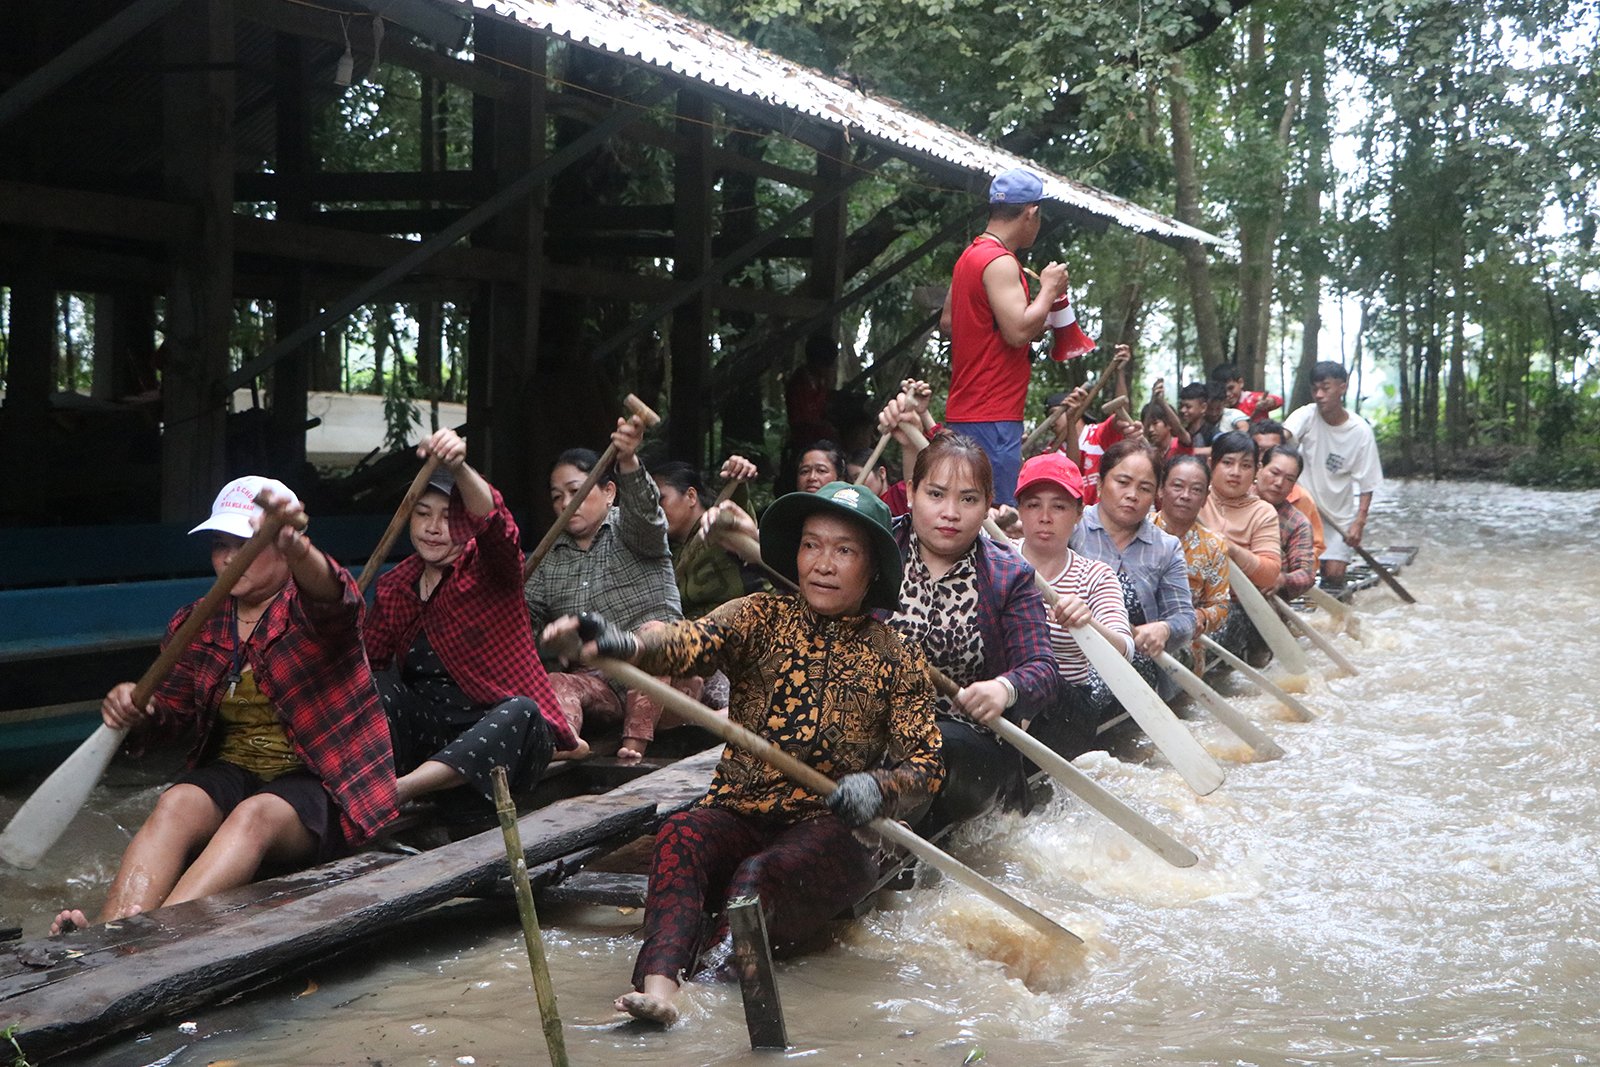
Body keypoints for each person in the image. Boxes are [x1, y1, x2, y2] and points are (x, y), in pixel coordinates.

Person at [541, 481, 943, 1028]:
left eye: (844, 550)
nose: (822, 564)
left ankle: (705, 994)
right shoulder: (758, 616)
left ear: (871, 568)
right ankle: (658, 988)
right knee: (680, 833)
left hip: (830, 831)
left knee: (757, 876)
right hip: (740, 810)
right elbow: (685, 642)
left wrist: (879, 787)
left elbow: (927, 767)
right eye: (811, 545)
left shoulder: (898, 657)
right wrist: (616, 642)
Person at [52, 478, 396, 934]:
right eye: (220, 545)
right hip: (237, 769)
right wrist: (141, 709)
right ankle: (109, 932)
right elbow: (171, 715)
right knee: (176, 802)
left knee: (252, 816)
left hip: (320, 780)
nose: (230, 558)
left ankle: (160, 939)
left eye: (246, 544)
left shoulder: (310, 610)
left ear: (282, 551)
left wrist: (299, 548)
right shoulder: (198, 620)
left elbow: (337, 596)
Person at [365, 430, 579, 807]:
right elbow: (369, 668)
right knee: (378, 686)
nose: (432, 528)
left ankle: (402, 791)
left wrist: (458, 466)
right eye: (422, 514)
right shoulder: (394, 587)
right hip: (431, 736)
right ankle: (388, 784)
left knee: (523, 711)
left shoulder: (489, 567)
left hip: (502, 740)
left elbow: (495, 521)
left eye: (449, 517)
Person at [884, 432, 1060, 832]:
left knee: (937, 742)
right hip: (869, 731)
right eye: (936, 494)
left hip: (965, 748)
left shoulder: (1008, 575)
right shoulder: (875, 547)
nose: (950, 512)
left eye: (968, 499)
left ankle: (881, 812)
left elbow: (1042, 668)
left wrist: (1005, 688)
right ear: (911, 493)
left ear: (986, 508)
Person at [525, 416, 685, 760]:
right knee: (558, 681)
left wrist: (627, 459)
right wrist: (548, 637)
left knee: (655, 634)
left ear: (609, 492)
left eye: (576, 491)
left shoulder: (633, 529)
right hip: (601, 684)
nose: (566, 503)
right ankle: (565, 745)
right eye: (557, 496)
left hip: (663, 674)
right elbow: (524, 621)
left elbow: (647, 511)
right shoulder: (547, 559)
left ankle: (634, 748)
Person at [939, 167, 1069, 505]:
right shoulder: (1000, 262)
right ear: (1032, 212)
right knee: (996, 516)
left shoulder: (969, 255)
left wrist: (1024, 323)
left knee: (964, 507)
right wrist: (1049, 289)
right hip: (994, 412)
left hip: (964, 410)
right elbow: (1017, 332)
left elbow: (951, 323)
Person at [1010, 452, 1136, 758]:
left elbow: (1125, 650)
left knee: (1042, 683)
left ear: (1079, 513)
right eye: (1033, 505)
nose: (1045, 517)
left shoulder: (1095, 575)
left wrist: (1087, 622)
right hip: (1001, 696)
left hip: (1066, 708)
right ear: (1020, 511)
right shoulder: (997, 559)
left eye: (1059, 506)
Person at [1069, 440, 1197, 664]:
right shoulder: (1071, 526)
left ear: (1156, 495)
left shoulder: (1166, 547)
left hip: (1134, 664)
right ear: (1100, 484)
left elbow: (1185, 619)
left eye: (1144, 488)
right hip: (1070, 655)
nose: (1132, 495)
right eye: (1123, 482)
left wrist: (1165, 629)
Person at [1281, 361, 1383, 588]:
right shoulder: (1306, 416)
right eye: (1314, 389)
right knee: (1292, 568)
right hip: (1302, 509)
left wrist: (1359, 523)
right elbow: (1284, 435)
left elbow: (1367, 484)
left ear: (1342, 388)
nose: (1319, 395)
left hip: (1337, 517)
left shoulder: (1360, 431)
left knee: (1335, 575)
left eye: (1325, 388)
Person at [1153, 454, 1232, 659]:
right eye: (1177, 486)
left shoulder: (1214, 545)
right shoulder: (1139, 529)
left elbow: (1221, 606)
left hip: (1184, 641)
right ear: (1161, 489)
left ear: (1205, 498)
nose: (1185, 495)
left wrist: (1201, 616)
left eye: (1196, 490)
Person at [1197, 432, 1282, 594]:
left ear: (1257, 470)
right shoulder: (1193, 498)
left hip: (1238, 603)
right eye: (1227, 463)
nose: (1235, 472)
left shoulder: (1263, 512)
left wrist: (1232, 550)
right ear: (1211, 464)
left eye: (1245, 465)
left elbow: (1270, 575)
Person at [1251, 419, 1325, 557]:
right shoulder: (1237, 490)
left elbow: (1315, 547)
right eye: (1260, 450)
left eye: (1272, 449)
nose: (1279, 483)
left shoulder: (1301, 500)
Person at [1254, 443, 1317, 599]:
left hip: (1264, 603)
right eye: (1274, 473)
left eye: (1289, 479)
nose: (1279, 483)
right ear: (1259, 469)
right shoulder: (1233, 499)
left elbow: (1307, 574)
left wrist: (1282, 579)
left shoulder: (1297, 523)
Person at [784, 335, 838, 447]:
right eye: (827, 365)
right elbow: (801, 420)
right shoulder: (799, 383)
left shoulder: (820, 383)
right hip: (804, 440)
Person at [1211, 362, 1282, 424]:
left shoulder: (1251, 399)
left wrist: (1269, 402)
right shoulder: (1218, 407)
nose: (1227, 394)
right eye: (1223, 390)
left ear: (1240, 383)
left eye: (1231, 388)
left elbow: (1279, 400)